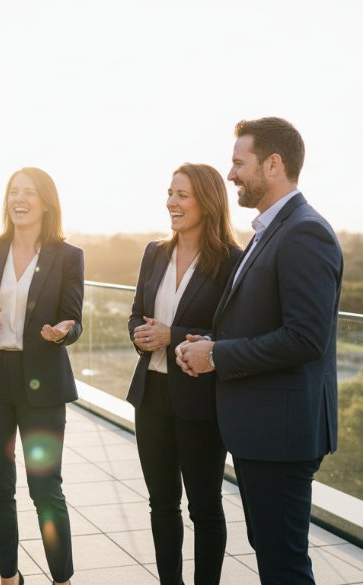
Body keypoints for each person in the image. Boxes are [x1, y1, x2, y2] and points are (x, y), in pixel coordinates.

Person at [176, 117, 343, 585]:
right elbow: (258, 318)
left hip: (282, 435)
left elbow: (306, 338)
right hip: (263, 431)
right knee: (273, 557)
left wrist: (219, 356)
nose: (230, 175)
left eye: (238, 163)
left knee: (284, 566)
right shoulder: (270, 231)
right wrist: (206, 343)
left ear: (273, 164)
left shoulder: (305, 233)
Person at [0, 167, 83, 585]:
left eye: (28, 192)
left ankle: (62, 578)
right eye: (13, 191)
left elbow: (74, 319)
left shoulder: (68, 256)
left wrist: (64, 331)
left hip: (43, 384)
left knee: (45, 488)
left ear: (46, 201)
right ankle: (8, 577)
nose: (19, 199)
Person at [127, 163, 242, 585]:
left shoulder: (231, 260)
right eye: (170, 193)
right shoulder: (154, 252)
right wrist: (140, 337)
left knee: (205, 507)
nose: (171, 203)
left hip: (200, 399)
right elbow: (136, 316)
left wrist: (170, 336)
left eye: (182, 195)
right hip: (151, 396)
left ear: (207, 201)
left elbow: (232, 332)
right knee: (161, 503)